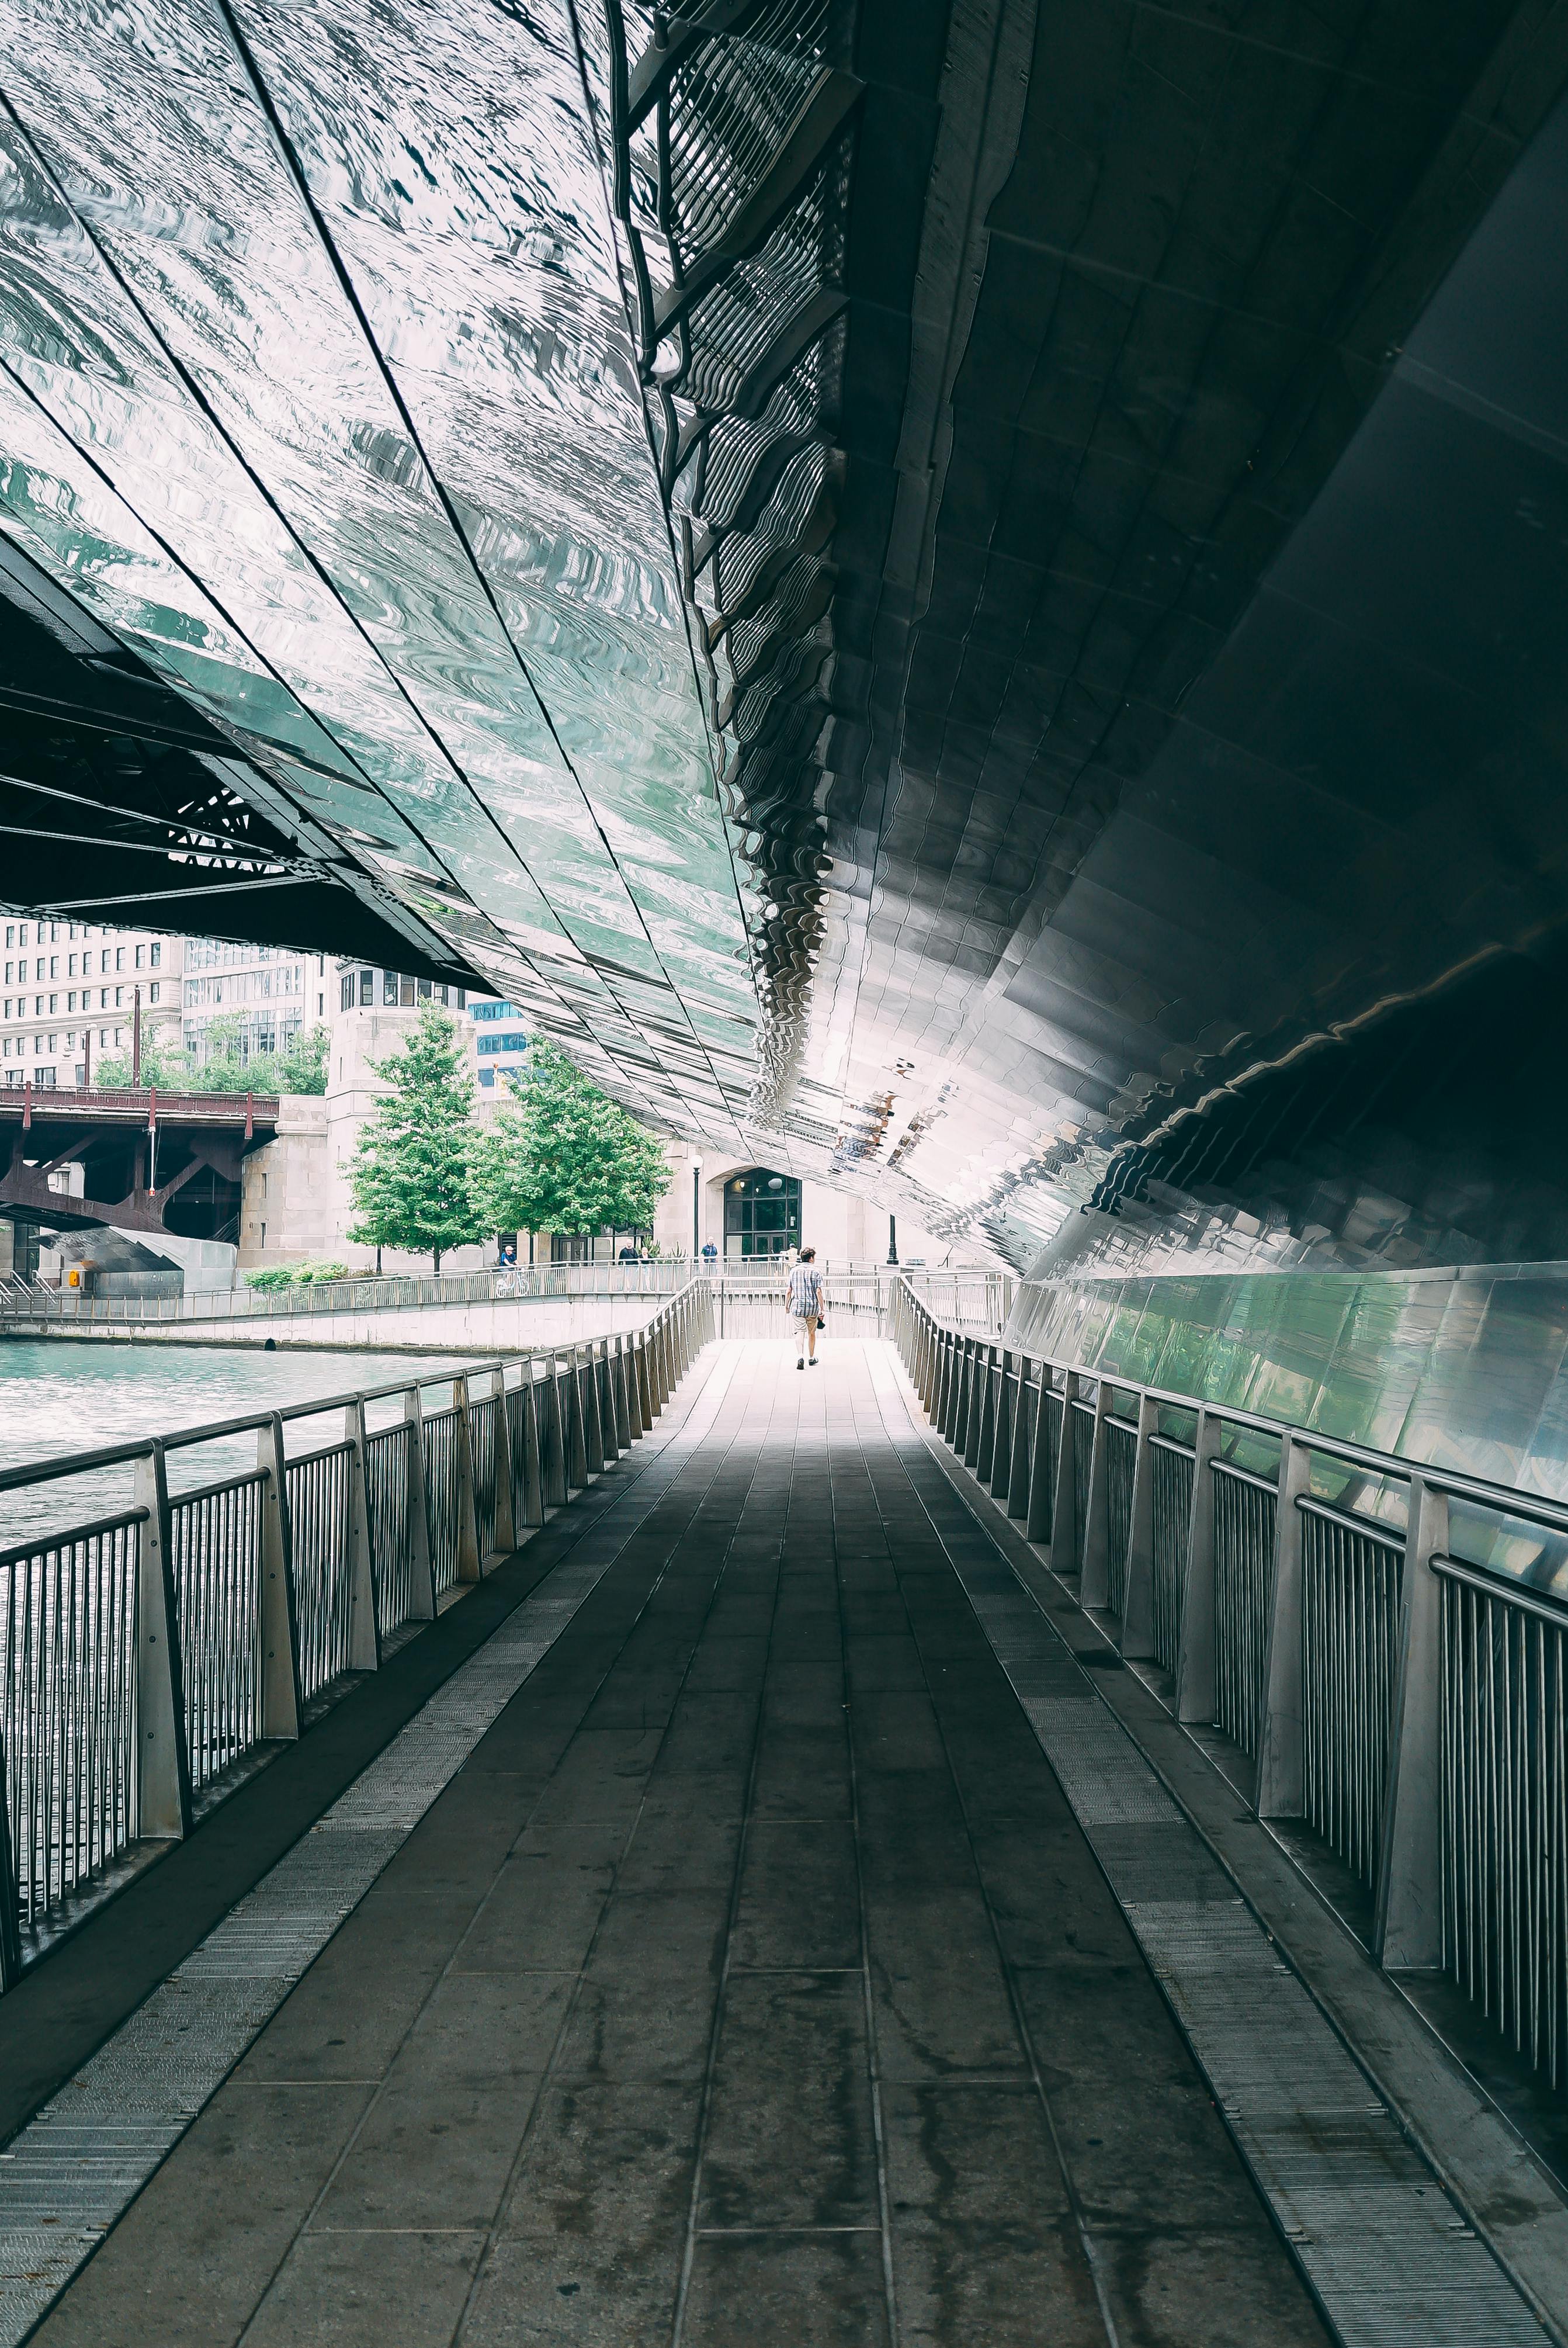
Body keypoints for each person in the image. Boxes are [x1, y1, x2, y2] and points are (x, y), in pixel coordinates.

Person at [786, 1246, 825, 1369]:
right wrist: (822, 1308)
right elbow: (819, 1291)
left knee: (799, 1331)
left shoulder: (793, 1271)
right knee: (812, 1332)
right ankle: (811, 1357)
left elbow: (789, 1290)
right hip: (812, 1307)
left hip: (797, 1306)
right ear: (811, 1259)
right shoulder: (817, 1272)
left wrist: (787, 1306)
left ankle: (800, 1356)